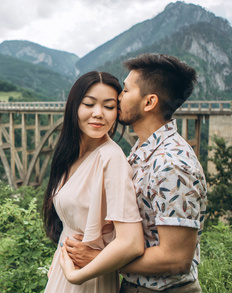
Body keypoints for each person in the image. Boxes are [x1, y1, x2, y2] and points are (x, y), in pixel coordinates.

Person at [61, 54, 208, 292]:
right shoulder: (142, 151)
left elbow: (176, 259)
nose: (118, 97)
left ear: (149, 102)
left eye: (126, 91)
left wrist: (100, 259)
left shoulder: (171, 164)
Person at [43, 71, 144, 293]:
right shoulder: (70, 154)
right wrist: (59, 257)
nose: (98, 114)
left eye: (108, 107)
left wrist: (77, 277)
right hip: (65, 272)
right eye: (89, 104)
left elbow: (132, 243)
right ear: (74, 107)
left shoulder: (111, 158)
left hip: (88, 280)